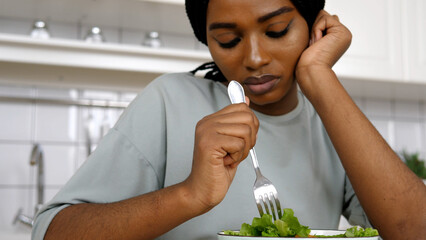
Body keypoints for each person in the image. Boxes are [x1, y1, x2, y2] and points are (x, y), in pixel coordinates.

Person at [32, 0, 426, 239]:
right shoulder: (169, 100)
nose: (253, 57)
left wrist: (319, 77)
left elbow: (414, 230)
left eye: (276, 30)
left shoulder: (332, 121)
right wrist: (189, 195)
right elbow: (53, 233)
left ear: (313, 26)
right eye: (228, 40)